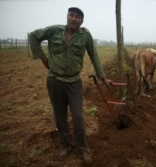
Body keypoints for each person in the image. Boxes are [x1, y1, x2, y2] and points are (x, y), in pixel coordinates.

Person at [29, 7, 113, 165]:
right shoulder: (54, 31)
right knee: (60, 115)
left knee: (78, 116)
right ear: (67, 17)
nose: (74, 19)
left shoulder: (85, 35)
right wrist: (42, 57)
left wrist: (103, 78)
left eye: (78, 17)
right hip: (55, 80)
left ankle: (82, 148)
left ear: (82, 21)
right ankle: (65, 145)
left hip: (74, 82)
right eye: (71, 15)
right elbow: (33, 36)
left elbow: (94, 55)